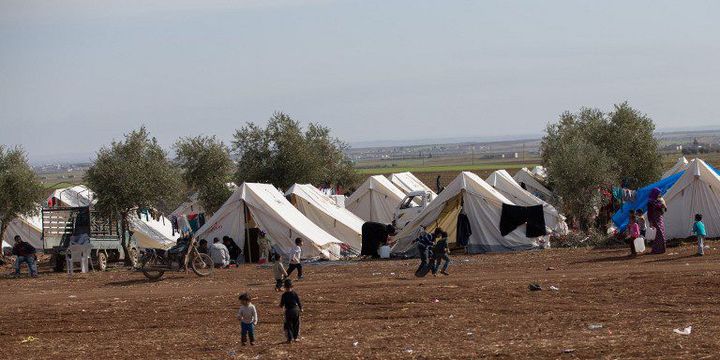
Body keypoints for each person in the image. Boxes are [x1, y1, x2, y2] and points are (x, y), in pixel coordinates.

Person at [279, 279, 303, 343]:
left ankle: (289, 339)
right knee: (296, 324)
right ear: (292, 286)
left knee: (288, 325)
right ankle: (295, 338)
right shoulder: (294, 293)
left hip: (288, 311)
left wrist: (280, 306)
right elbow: (298, 301)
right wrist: (301, 308)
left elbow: (281, 304)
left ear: (284, 287)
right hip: (295, 310)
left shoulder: (284, 295)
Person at [647, 188, 668, 254]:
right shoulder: (650, 202)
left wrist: (664, 206)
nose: (659, 194)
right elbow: (649, 213)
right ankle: (658, 249)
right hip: (655, 219)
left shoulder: (659, 200)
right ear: (655, 193)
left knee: (661, 234)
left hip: (659, 218)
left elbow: (663, 210)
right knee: (660, 233)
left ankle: (658, 249)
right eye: (658, 193)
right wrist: (650, 221)